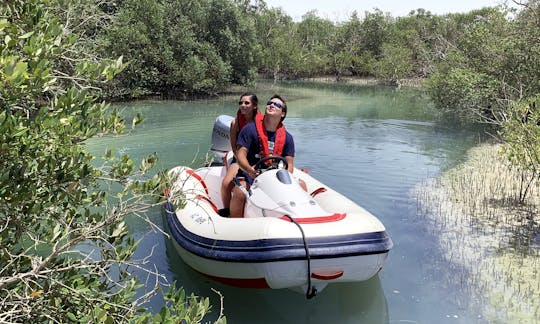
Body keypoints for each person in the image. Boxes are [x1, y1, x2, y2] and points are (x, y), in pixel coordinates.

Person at [230, 94, 303, 218]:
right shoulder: (249, 129)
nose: (271, 105)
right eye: (269, 103)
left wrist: (285, 180)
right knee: (239, 192)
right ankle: (234, 222)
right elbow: (240, 154)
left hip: (274, 176)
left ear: (283, 113)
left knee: (302, 185)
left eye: (276, 105)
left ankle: (302, 217)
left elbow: (289, 164)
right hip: (250, 174)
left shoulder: (288, 138)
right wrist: (249, 169)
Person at [218, 93, 260, 217]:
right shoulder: (235, 123)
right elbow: (233, 145)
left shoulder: (262, 123)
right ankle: (227, 210)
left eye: (247, 103)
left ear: (254, 105)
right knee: (226, 183)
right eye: (241, 102)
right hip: (240, 158)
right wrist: (242, 162)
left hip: (257, 158)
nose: (243, 105)